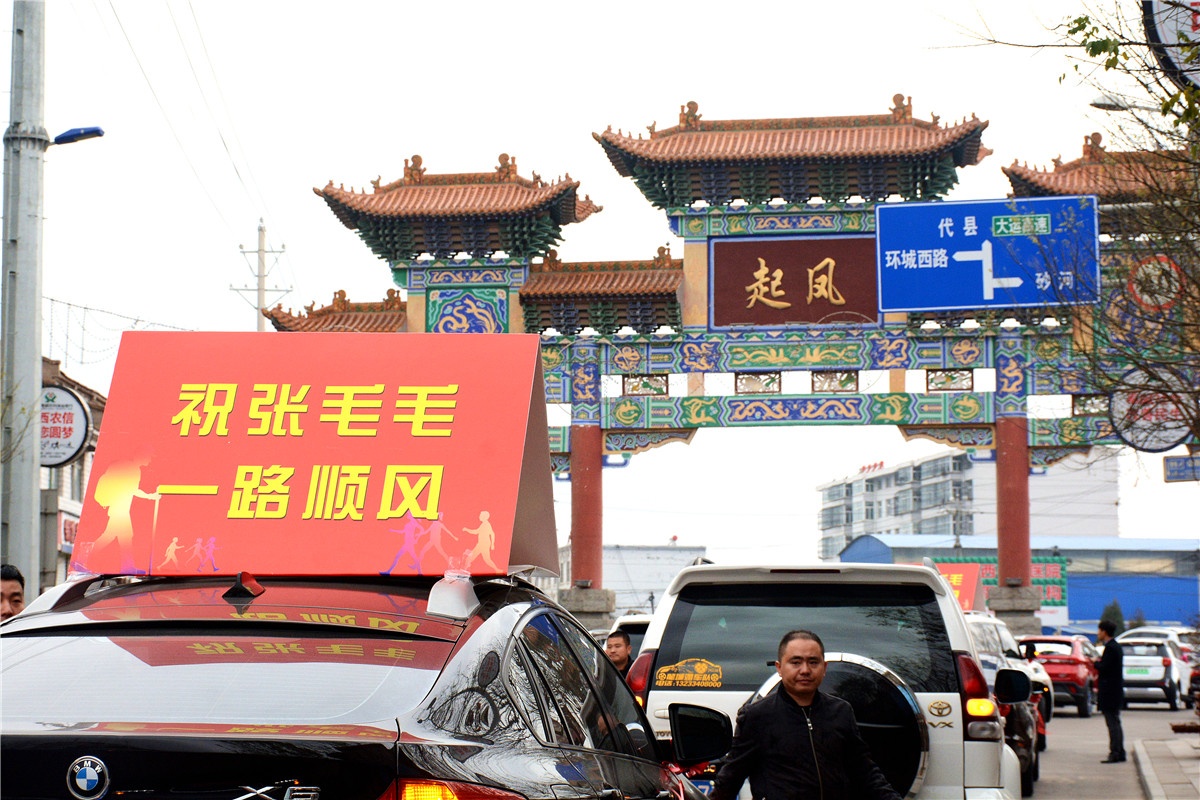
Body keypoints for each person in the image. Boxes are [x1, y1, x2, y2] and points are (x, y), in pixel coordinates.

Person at [711, 629, 901, 800]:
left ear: (824, 668)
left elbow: (864, 770)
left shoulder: (841, 711)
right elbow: (730, 778)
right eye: (796, 662)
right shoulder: (757, 716)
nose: (805, 670)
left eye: (813, 662)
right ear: (779, 668)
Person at [1095, 619, 1126, 763]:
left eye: (1099, 630)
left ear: (1104, 632)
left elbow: (1105, 668)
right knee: (1115, 722)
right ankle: (1120, 752)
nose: (1098, 633)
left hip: (1110, 692)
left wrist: (1095, 663)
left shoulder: (1110, 648)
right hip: (1115, 691)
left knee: (1112, 724)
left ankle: (1115, 752)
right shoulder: (1116, 647)